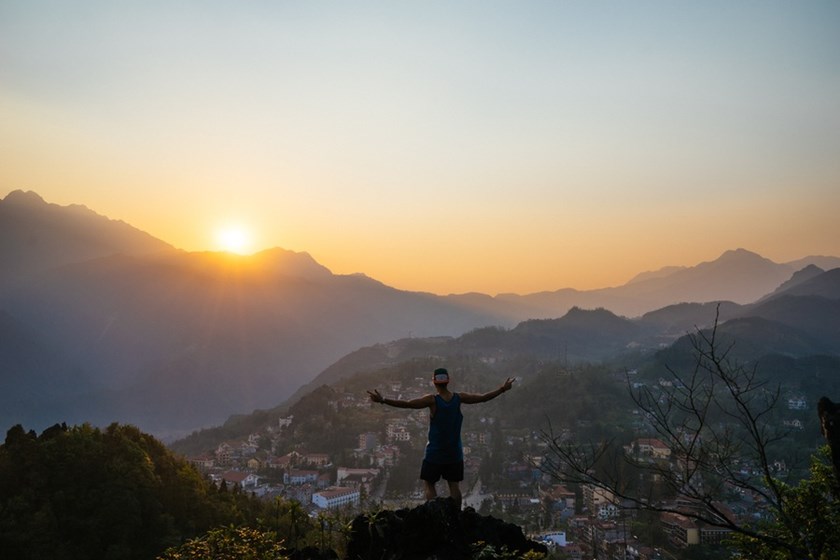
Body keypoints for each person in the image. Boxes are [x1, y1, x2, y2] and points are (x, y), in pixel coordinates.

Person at [367, 367, 515, 510]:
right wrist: (502, 389)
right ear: (448, 381)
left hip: (434, 453)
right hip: (454, 453)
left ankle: (435, 514)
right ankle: (457, 517)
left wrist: (383, 400)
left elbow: (407, 404)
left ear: (434, 381)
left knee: (429, 483)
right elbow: (483, 398)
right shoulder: (459, 398)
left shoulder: (432, 400)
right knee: (454, 486)